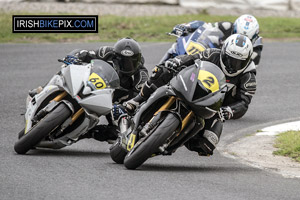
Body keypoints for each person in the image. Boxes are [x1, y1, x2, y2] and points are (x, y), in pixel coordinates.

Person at [124, 34, 256, 156]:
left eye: (239, 62)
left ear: (248, 60)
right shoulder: (212, 54)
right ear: (223, 52)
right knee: (162, 71)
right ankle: (137, 100)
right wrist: (177, 61)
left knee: (207, 145)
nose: (233, 66)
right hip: (193, 87)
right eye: (230, 60)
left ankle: (173, 139)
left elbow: (244, 103)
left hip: (214, 108)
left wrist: (229, 111)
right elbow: (192, 58)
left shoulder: (248, 76)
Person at [29, 37, 149, 143]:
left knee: (115, 133)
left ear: (138, 60)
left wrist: (124, 108)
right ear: (116, 56)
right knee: (65, 68)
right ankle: (43, 89)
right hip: (90, 82)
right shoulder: (106, 52)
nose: (127, 66)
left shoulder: (141, 77)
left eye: (131, 62)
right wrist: (73, 57)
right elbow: (83, 53)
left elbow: (139, 98)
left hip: (111, 103)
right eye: (123, 61)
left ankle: (85, 133)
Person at [168, 14, 263, 66]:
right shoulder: (227, 26)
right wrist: (187, 26)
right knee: (177, 47)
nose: (240, 40)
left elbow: (249, 71)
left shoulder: (256, 49)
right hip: (211, 56)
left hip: (226, 71)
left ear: (254, 37)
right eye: (237, 34)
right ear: (234, 28)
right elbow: (205, 26)